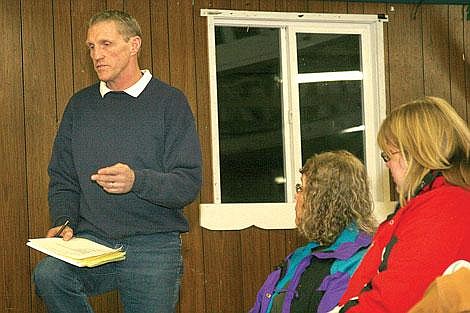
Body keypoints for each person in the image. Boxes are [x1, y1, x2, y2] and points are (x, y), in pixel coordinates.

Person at [33, 10, 202, 313]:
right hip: (92, 241)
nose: (97, 54)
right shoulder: (80, 105)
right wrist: (64, 222)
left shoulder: (170, 102)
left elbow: (187, 183)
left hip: (154, 244)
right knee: (49, 276)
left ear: (134, 45)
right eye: (91, 47)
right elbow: (63, 177)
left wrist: (137, 181)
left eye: (106, 44)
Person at [332, 97, 470, 312]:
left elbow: (394, 301)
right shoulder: (432, 203)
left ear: (416, 152)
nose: (387, 165)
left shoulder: (445, 209)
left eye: (389, 155)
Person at [249, 150, 377, 313]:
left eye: (302, 189)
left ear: (323, 200)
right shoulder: (299, 257)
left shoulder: (356, 263)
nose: (297, 197)